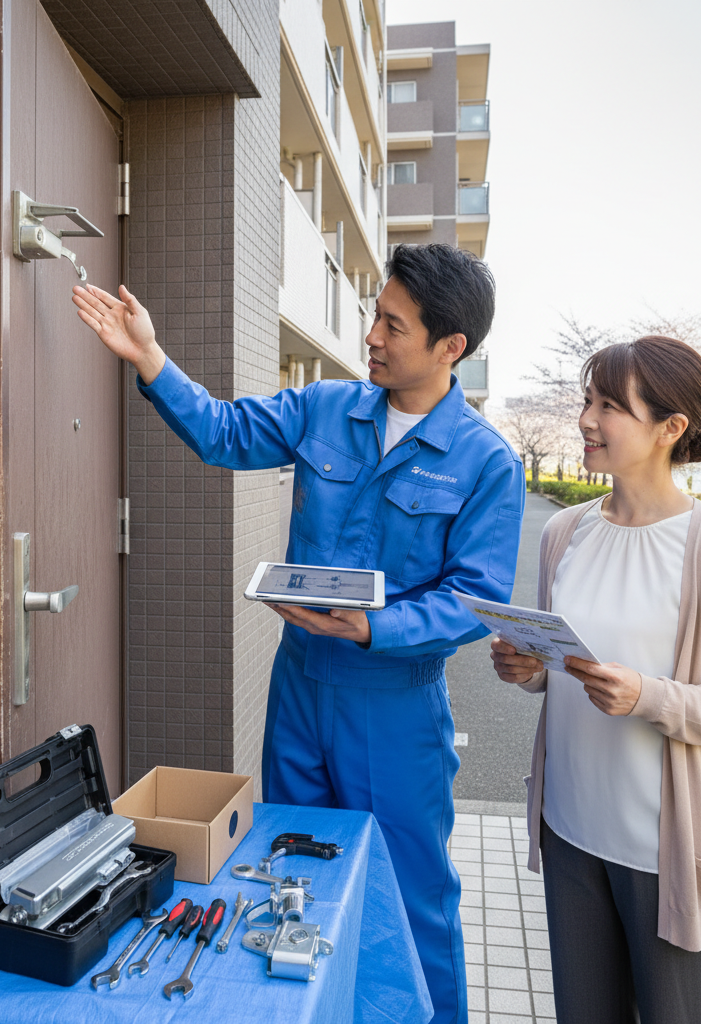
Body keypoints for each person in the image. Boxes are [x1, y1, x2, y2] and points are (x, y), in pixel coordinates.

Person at [73, 243, 524, 1024]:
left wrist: (374, 627)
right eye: (373, 316)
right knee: (296, 879)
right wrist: (150, 358)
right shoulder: (325, 407)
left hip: (394, 707)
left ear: (451, 346)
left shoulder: (486, 463)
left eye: (393, 324)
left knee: (409, 893)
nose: (372, 337)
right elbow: (221, 433)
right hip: (299, 692)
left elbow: (475, 599)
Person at [492, 336, 701, 1024]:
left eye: (610, 406)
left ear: (670, 428)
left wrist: (649, 696)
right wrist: (531, 669)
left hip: (668, 856)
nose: (587, 420)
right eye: (588, 401)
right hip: (570, 832)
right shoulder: (564, 533)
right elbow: (565, 667)